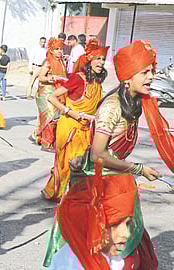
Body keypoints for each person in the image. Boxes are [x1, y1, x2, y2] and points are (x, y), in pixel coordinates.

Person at [46, 40, 167, 269]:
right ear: (128, 77)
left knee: (128, 240)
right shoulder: (112, 106)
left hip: (119, 179)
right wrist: (138, 169)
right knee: (103, 244)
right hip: (100, 183)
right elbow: (98, 154)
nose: (151, 77)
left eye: (152, 71)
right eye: (145, 72)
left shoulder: (134, 102)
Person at [41, 39, 108, 202]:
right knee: (69, 163)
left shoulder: (98, 82)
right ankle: (62, 194)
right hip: (70, 127)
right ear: (90, 60)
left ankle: (74, 195)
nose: (101, 62)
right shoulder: (79, 78)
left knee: (83, 164)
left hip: (87, 129)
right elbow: (52, 97)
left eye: (103, 59)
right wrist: (69, 111)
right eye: (98, 58)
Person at [33, 38, 67, 152]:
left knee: (56, 117)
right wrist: (51, 78)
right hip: (46, 93)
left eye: (61, 49)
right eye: (57, 49)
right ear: (51, 50)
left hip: (57, 92)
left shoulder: (62, 62)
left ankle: (45, 138)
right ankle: (46, 143)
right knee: (50, 116)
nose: (59, 51)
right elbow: (41, 77)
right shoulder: (48, 61)